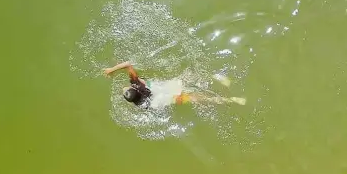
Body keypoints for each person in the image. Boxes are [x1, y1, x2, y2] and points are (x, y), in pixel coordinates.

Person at [102, 61, 246, 109]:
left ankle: (230, 100)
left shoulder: (140, 105)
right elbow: (127, 64)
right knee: (189, 78)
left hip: (166, 99)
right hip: (164, 87)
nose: (123, 88)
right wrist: (111, 70)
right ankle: (216, 76)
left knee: (195, 97)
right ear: (133, 88)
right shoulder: (137, 83)